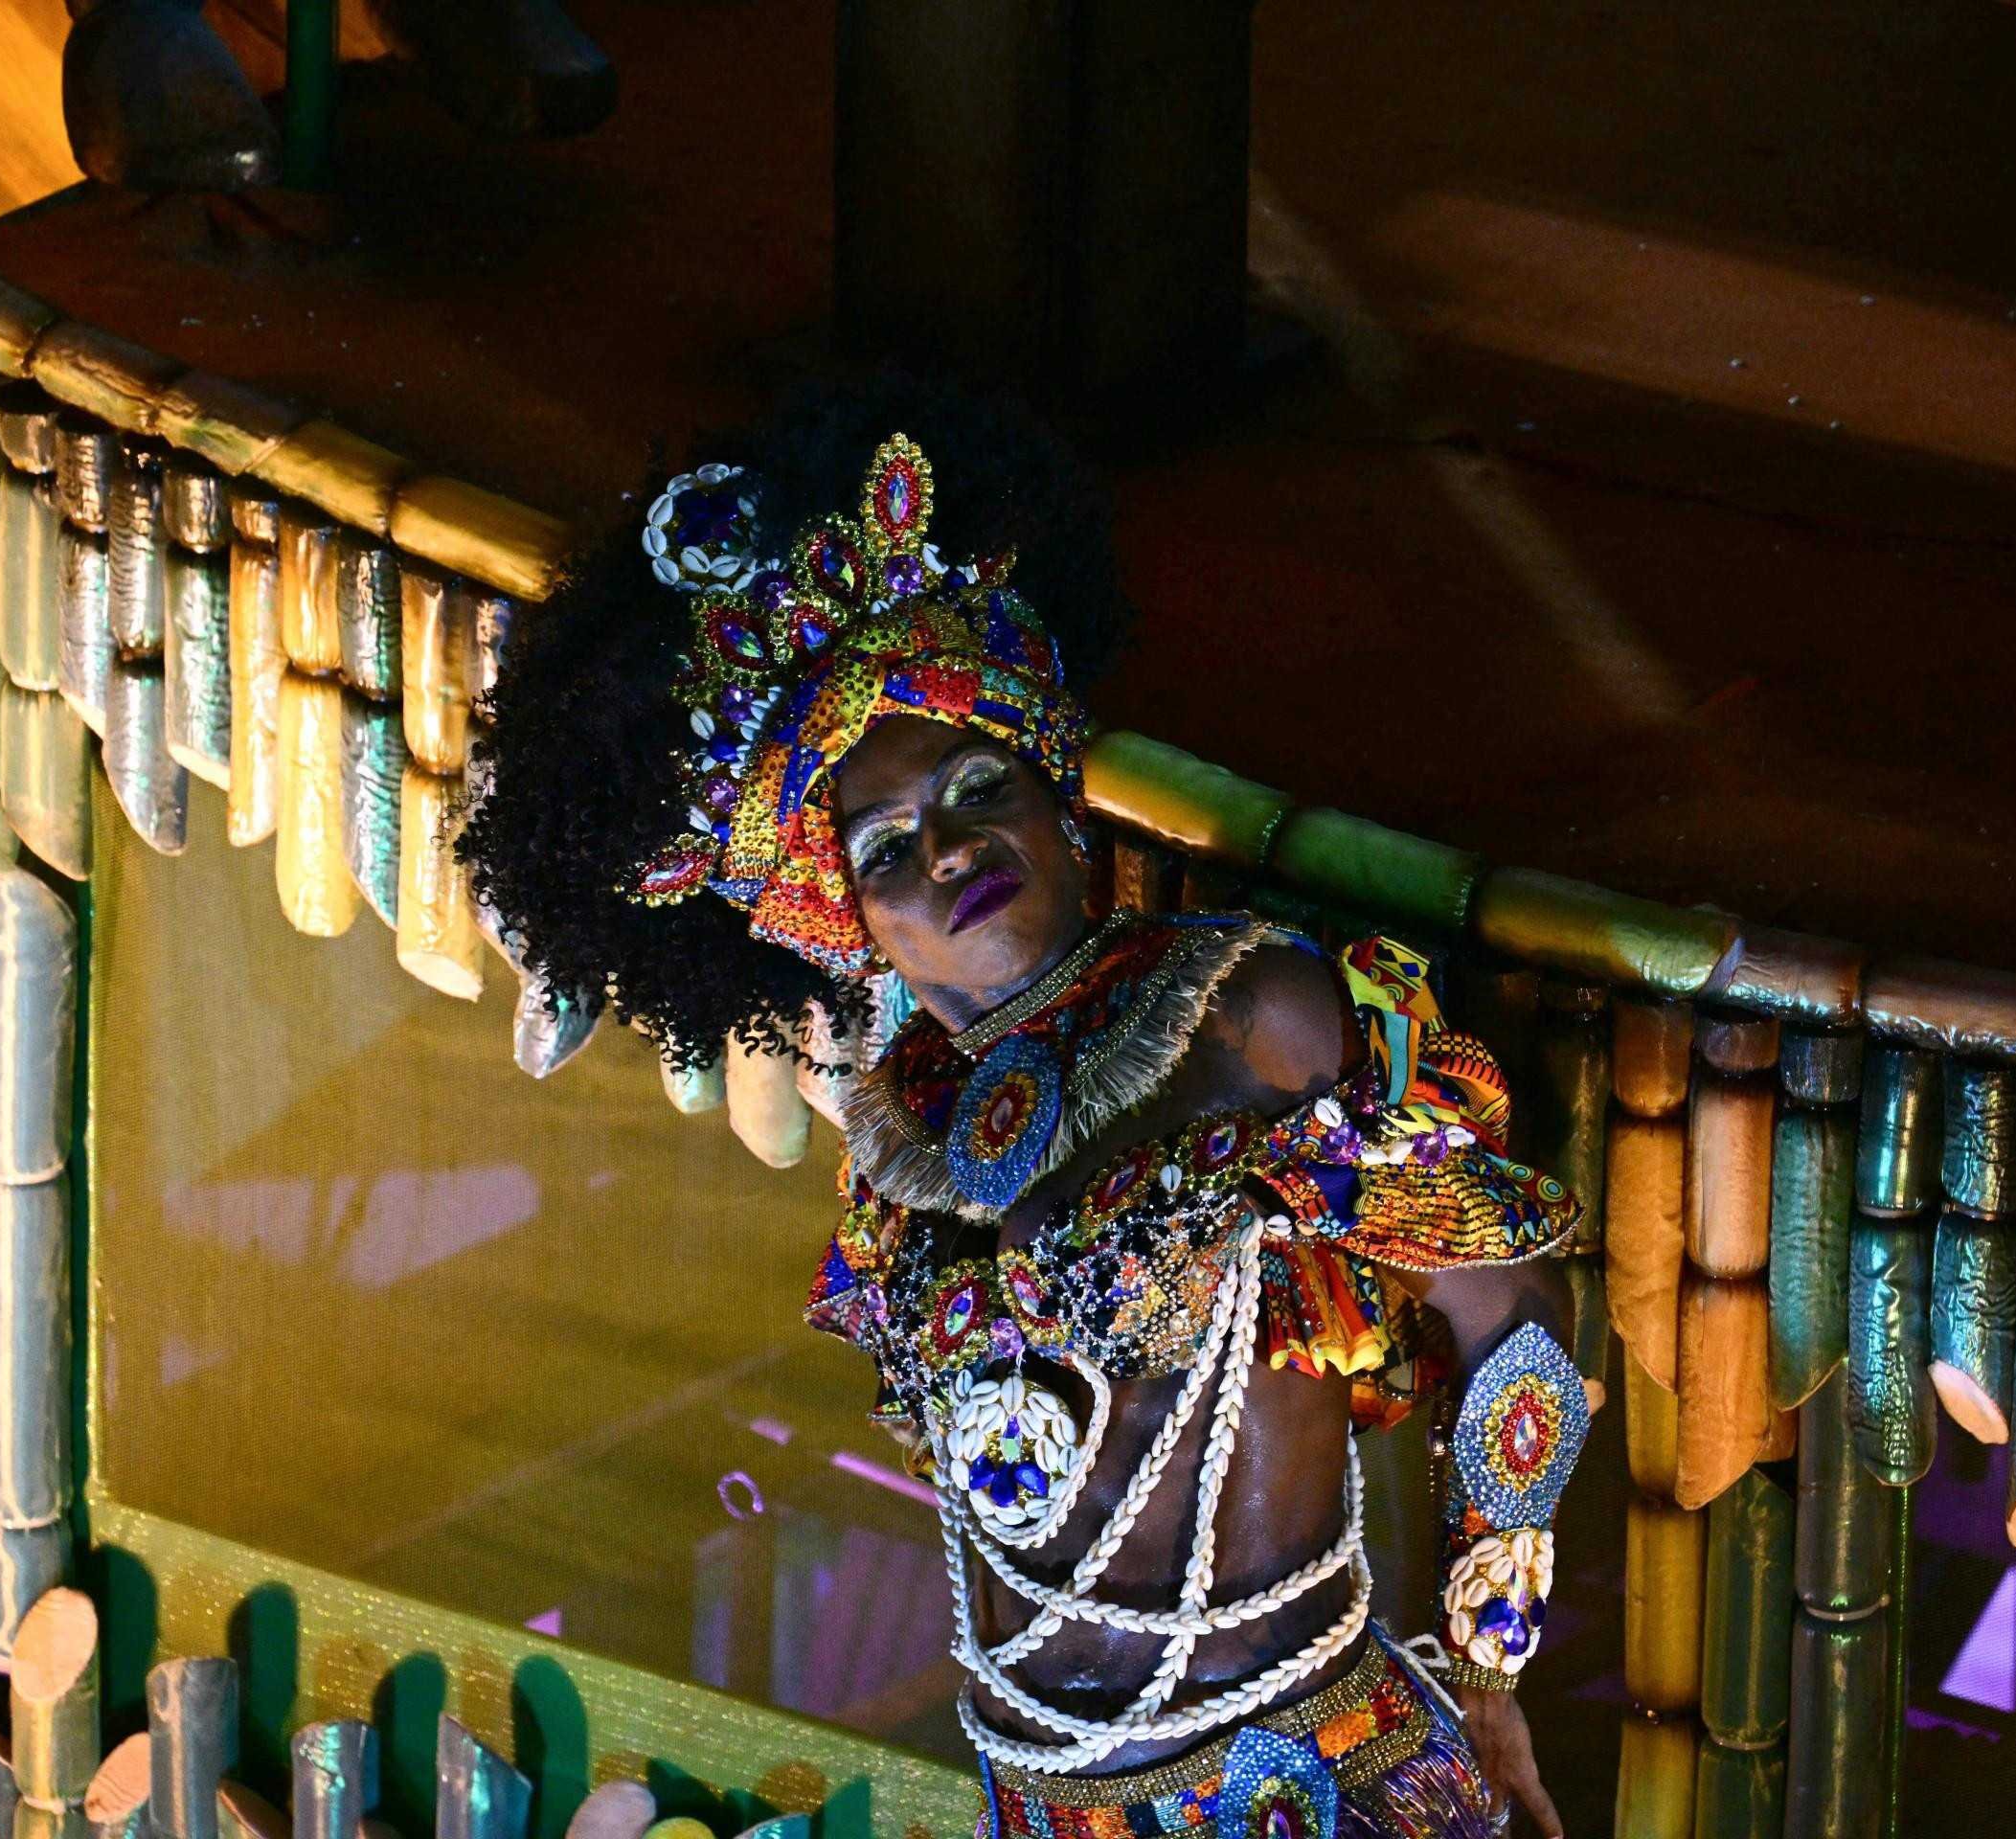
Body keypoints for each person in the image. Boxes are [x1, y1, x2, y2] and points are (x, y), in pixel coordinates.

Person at [459, 378, 1590, 1839]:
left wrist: (1492, 1654)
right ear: (854, 920)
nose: (945, 853)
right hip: (1039, 1803)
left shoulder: (1248, 1021)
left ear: (1058, 800)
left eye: (975, 783)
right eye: (882, 849)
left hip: (1314, 1784)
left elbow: (1510, 1308)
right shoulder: (898, 1155)